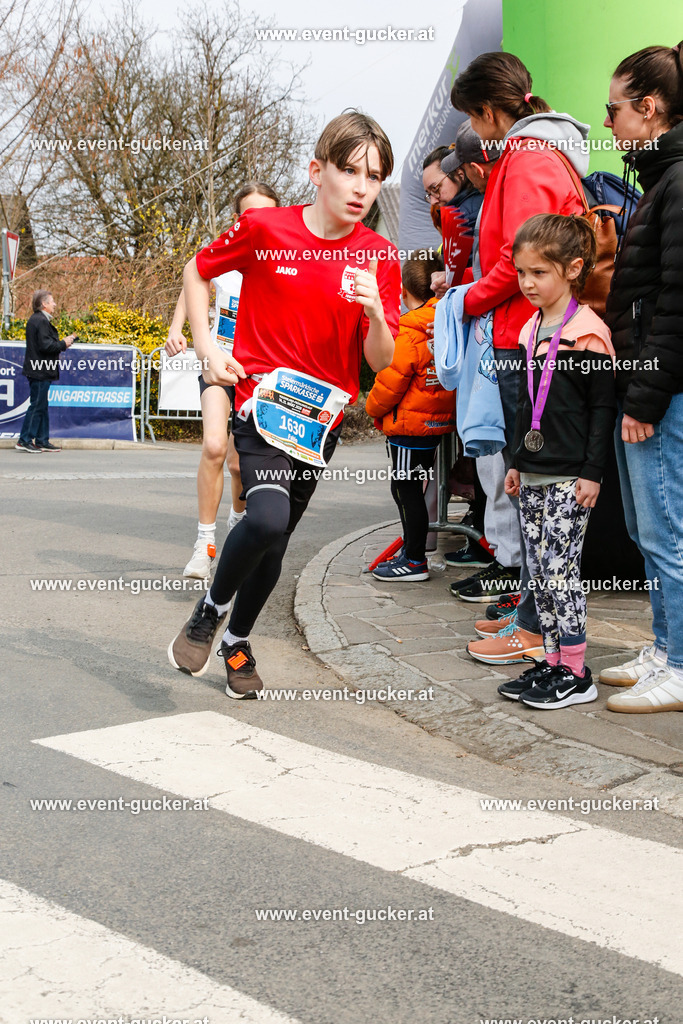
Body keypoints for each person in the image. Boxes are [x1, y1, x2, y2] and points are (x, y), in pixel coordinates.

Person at [168, 111, 400, 698]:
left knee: (277, 539)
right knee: (265, 518)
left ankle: (236, 643)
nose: (360, 188)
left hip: (320, 421)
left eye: (373, 177)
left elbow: (380, 360)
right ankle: (211, 607)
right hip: (258, 402)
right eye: (349, 171)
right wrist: (205, 349)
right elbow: (197, 271)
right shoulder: (267, 230)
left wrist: (375, 312)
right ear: (317, 170)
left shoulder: (379, 257)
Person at [449, 51, 590, 665]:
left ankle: (535, 626)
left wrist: (471, 299)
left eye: (474, 121)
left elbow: (521, 256)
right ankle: (533, 613)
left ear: (487, 110)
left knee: (531, 489)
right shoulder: (535, 151)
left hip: (521, 337)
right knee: (527, 485)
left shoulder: (527, 156)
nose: (476, 136)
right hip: (524, 334)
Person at [493, 214, 616, 708]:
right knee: (540, 573)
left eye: (539, 273)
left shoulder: (587, 333)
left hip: (570, 479)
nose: (527, 283)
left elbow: (602, 410)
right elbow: (526, 407)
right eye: (522, 272)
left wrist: (592, 472)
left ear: (572, 270)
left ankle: (577, 671)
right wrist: (517, 463)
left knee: (562, 574)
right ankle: (551, 659)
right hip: (535, 474)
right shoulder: (529, 330)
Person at [598, 43, 683, 714]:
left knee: (667, 532)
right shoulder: (662, 179)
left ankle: (680, 663)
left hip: (661, 394)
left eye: (613, 110)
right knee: (646, 531)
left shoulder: (678, 182)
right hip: (645, 388)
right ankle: (662, 649)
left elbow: (677, 304)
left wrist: (646, 392)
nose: (608, 124)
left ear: (647, 108)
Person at [165, 182, 280, 579]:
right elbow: (194, 278)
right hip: (217, 364)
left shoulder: (284, 261)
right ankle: (204, 543)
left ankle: (238, 530)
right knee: (215, 446)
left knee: (236, 465)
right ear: (239, 219)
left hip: (258, 370)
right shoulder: (228, 251)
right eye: (251, 215)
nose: (259, 222)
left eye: (267, 214)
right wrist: (176, 327)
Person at [366, 250, 455, 581]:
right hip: (436, 422)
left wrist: (371, 409)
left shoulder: (408, 330)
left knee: (405, 490)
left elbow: (391, 381)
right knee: (415, 487)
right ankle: (413, 552)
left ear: (403, 292)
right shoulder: (445, 322)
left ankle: (414, 559)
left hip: (409, 428)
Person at [15, 290, 76, 453]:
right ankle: (24, 439)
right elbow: (46, 346)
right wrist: (63, 343)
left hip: (40, 369)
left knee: (41, 405)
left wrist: (63, 343)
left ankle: (42, 440)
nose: (55, 304)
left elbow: (45, 344)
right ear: (44, 304)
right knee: (37, 405)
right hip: (40, 370)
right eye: (52, 301)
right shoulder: (40, 321)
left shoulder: (38, 320)